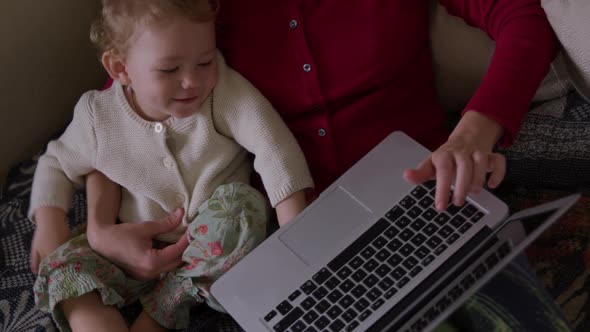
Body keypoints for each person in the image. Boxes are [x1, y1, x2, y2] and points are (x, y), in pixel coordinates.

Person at [84, 0, 567, 330]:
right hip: (292, 235)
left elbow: (523, 16)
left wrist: (476, 131)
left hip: (429, 195)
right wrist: (98, 228)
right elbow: (118, 108)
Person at [28, 0, 314, 331]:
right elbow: (56, 163)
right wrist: (49, 222)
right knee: (61, 265)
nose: (192, 81)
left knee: (245, 208)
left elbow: (273, 146)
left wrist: (296, 236)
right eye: (170, 70)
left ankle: (163, 310)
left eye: (204, 61)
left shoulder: (222, 91)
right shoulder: (97, 117)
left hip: (208, 240)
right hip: (130, 245)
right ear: (120, 69)